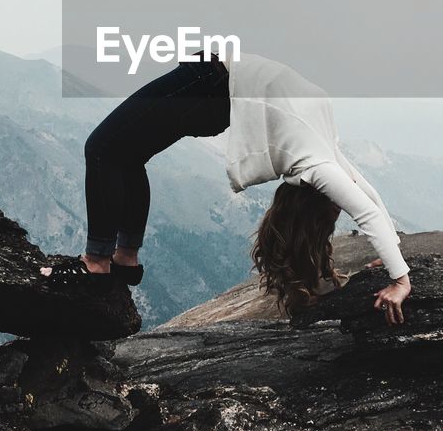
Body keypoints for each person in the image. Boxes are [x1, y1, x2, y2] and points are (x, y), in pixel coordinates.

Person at [41, 50, 412, 325]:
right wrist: (393, 247)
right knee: (129, 155)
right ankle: (124, 260)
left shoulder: (315, 167)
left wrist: (400, 279)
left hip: (209, 84)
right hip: (216, 92)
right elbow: (369, 199)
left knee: (102, 148)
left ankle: (96, 263)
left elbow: (363, 210)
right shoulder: (328, 160)